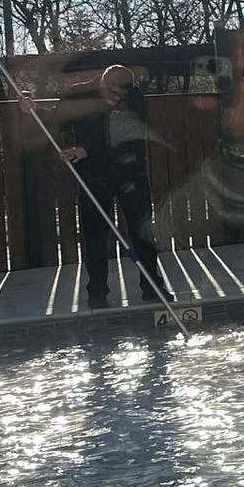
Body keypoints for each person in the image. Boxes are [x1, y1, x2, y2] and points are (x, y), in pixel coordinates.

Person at [58, 65, 167, 309]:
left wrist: (85, 149)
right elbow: (58, 119)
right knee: (95, 236)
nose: (118, 99)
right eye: (114, 93)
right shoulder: (78, 95)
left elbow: (117, 132)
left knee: (143, 233)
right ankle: (97, 292)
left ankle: (152, 286)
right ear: (102, 82)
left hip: (130, 176)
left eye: (122, 95)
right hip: (94, 178)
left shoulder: (136, 98)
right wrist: (31, 107)